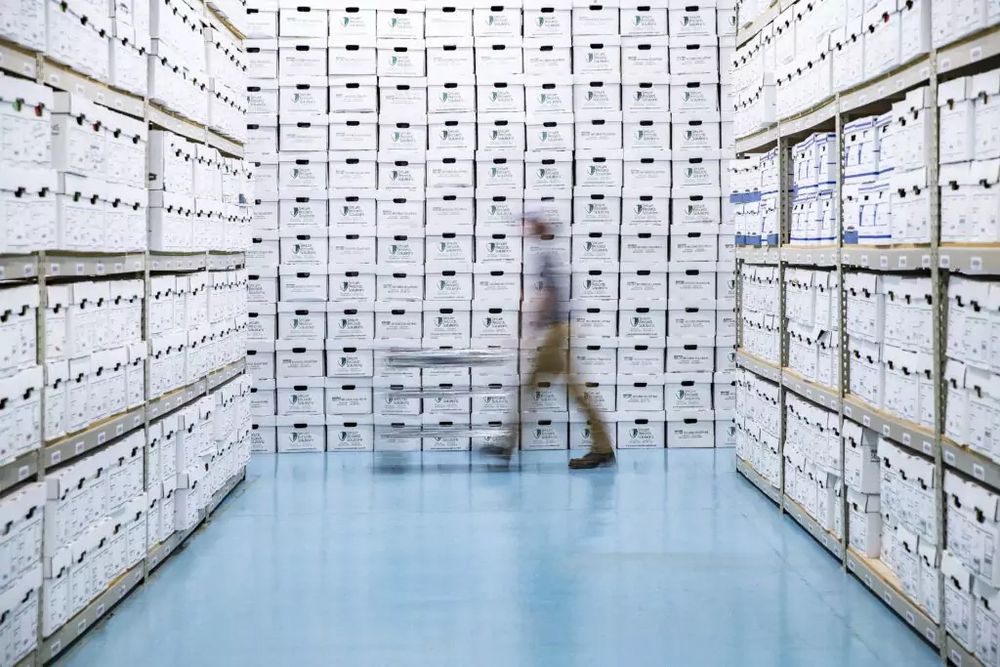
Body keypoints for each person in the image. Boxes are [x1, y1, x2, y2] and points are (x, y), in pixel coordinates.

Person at [482, 213, 616, 469]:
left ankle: (602, 449)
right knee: (543, 389)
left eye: (529, 223)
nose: (525, 227)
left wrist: (533, 325)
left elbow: (551, 294)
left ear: (539, 227)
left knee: (569, 392)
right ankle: (506, 446)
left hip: (557, 334)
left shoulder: (544, 252)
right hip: (559, 332)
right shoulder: (550, 250)